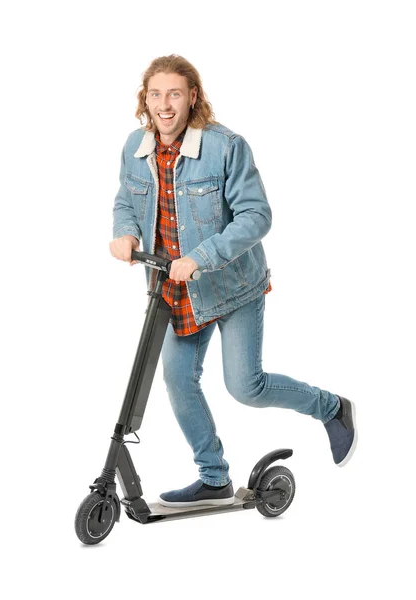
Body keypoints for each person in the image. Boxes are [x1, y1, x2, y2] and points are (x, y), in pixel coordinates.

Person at [109, 54, 357, 508]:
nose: (164, 104)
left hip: (233, 286)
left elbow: (256, 215)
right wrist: (124, 231)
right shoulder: (135, 146)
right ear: (145, 99)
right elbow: (127, 197)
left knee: (246, 387)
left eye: (175, 94)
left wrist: (201, 256)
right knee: (178, 380)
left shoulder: (225, 146)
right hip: (174, 289)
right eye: (156, 94)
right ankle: (214, 477)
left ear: (193, 97)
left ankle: (332, 408)